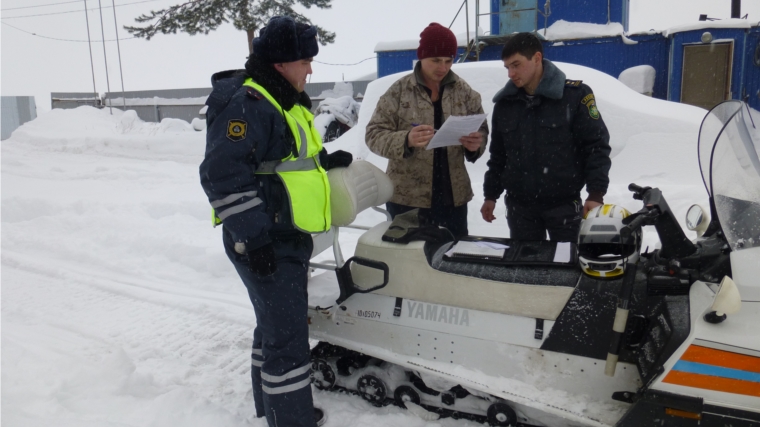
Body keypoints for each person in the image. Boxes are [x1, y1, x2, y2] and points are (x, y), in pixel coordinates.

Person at [199, 16, 351, 427]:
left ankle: (270, 407)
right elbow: (222, 176)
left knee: (273, 327)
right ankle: (292, 418)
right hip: (266, 239)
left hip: (286, 235)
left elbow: (286, 162)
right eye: (305, 60)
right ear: (282, 62)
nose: (311, 68)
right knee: (287, 340)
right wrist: (255, 239)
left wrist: (325, 161)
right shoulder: (250, 103)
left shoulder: (283, 98)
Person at [481, 32, 611, 242]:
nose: (510, 74)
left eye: (516, 65)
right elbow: (498, 156)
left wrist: (596, 193)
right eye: (507, 67)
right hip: (520, 209)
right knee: (525, 269)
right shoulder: (506, 105)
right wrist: (490, 195)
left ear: (537, 58)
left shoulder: (574, 96)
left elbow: (596, 146)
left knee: (567, 267)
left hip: (564, 207)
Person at [365, 23, 489, 239]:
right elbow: (373, 135)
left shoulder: (464, 91)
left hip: (453, 198)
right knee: (411, 262)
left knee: (451, 257)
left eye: (448, 61)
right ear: (421, 57)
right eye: (436, 60)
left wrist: (476, 144)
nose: (443, 67)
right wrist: (406, 139)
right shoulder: (399, 91)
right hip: (407, 200)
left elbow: (482, 129)